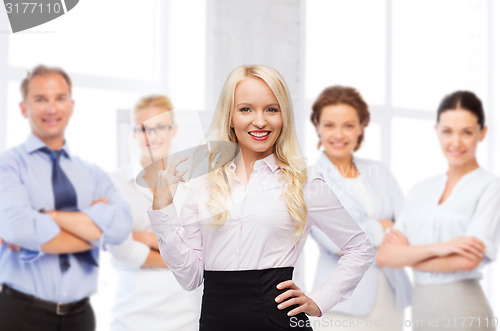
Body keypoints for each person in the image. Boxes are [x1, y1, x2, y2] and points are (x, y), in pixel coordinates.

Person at [148, 64, 375, 331]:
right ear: (229, 116)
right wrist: (163, 206)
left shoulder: (304, 182)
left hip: (279, 321)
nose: (260, 121)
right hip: (215, 321)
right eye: (246, 109)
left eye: (271, 109)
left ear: (284, 116)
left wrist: (319, 301)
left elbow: (360, 248)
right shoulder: (203, 184)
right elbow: (190, 277)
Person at [0, 65, 132, 331]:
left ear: (71, 106)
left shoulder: (93, 174)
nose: (52, 109)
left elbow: (121, 228)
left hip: (81, 317)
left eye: (59, 98)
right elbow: (19, 228)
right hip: (19, 315)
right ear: (24, 108)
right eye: (40, 99)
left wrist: (48, 216)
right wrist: (93, 228)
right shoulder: (8, 166)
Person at [377, 90, 500, 331]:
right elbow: (385, 256)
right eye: (447, 132)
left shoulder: (490, 187)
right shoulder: (420, 190)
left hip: (465, 308)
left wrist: (409, 255)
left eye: (467, 132)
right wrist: (442, 248)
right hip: (422, 308)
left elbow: (467, 260)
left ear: (482, 133)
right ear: (436, 131)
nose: (456, 142)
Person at [308, 86, 411, 330]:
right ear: (317, 127)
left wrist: (363, 234)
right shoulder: (309, 179)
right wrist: (384, 227)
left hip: (392, 296)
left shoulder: (380, 171)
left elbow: (408, 226)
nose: (339, 134)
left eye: (348, 125)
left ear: (361, 127)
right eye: (330, 125)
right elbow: (335, 242)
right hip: (342, 303)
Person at [108, 95, 199, 331]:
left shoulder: (195, 182)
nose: (153, 136)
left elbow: (202, 247)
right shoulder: (115, 183)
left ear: (174, 130)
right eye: (144, 128)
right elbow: (119, 248)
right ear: (134, 133)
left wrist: (143, 237)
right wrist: (181, 257)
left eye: (161, 127)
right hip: (133, 307)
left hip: (185, 307)